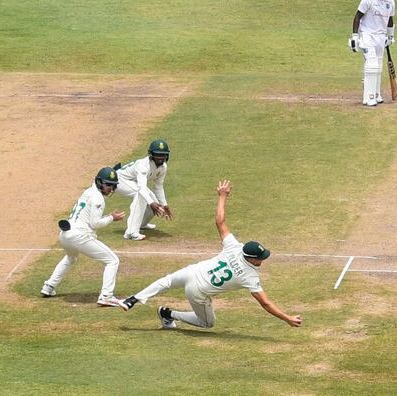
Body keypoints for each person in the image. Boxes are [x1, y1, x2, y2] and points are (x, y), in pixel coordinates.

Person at [121, 180, 302, 331]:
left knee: (165, 281)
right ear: (251, 258)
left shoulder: (235, 247)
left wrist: (222, 196)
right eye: (260, 258)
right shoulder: (249, 276)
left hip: (192, 271)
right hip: (198, 291)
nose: (262, 260)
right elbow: (265, 303)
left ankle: (132, 299)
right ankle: (168, 314)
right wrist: (287, 318)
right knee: (208, 323)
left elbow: (219, 221)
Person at [40, 167, 127, 307]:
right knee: (112, 260)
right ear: (100, 182)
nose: (111, 188)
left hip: (65, 234)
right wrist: (112, 217)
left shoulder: (88, 191)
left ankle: (48, 286)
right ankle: (106, 296)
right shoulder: (98, 198)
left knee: (70, 258)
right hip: (80, 236)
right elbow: (95, 223)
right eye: (108, 184)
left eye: (113, 185)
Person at [349, 0, 396, 107]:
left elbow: (390, 20)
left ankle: (376, 94)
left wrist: (391, 37)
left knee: (379, 66)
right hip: (367, 35)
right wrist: (355, 36)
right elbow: (357, 17)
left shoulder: (391, 2)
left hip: (380, 37)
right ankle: (368, 97)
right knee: (372, 64)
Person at [115, 139, 173, 241]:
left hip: (134, 182)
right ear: (151, 154)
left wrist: (164, 204)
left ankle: (142, 224)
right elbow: (141, 188)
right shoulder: (143, 165)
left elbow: (158, 187)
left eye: (163, 155)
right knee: (141, 195)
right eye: (158, 154)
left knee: (155, 202)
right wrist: (151, 203)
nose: (161, 157)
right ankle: (131, 232)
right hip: (120, 180)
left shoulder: (163, 167)